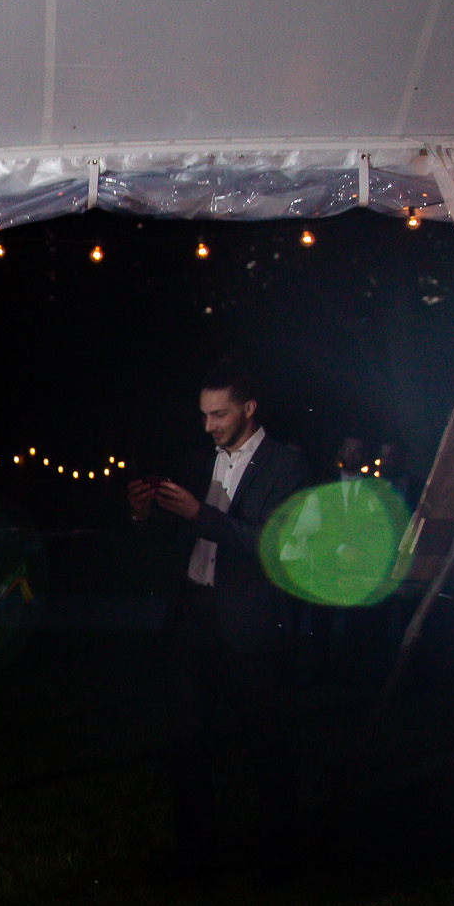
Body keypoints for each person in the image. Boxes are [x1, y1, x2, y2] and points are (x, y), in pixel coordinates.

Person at [127, 363, 308, 869]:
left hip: (250, 623)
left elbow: (273, 545)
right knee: (185, 741)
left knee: (265, 745)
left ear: (248, 409)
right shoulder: (194, 461)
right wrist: (145, 513)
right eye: (204, 415)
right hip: (193, 617)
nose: (209, 425)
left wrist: (199, 514)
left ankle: (278, 856)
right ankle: (195, 853)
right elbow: (170, 537)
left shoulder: (285, 466)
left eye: (219, 414)